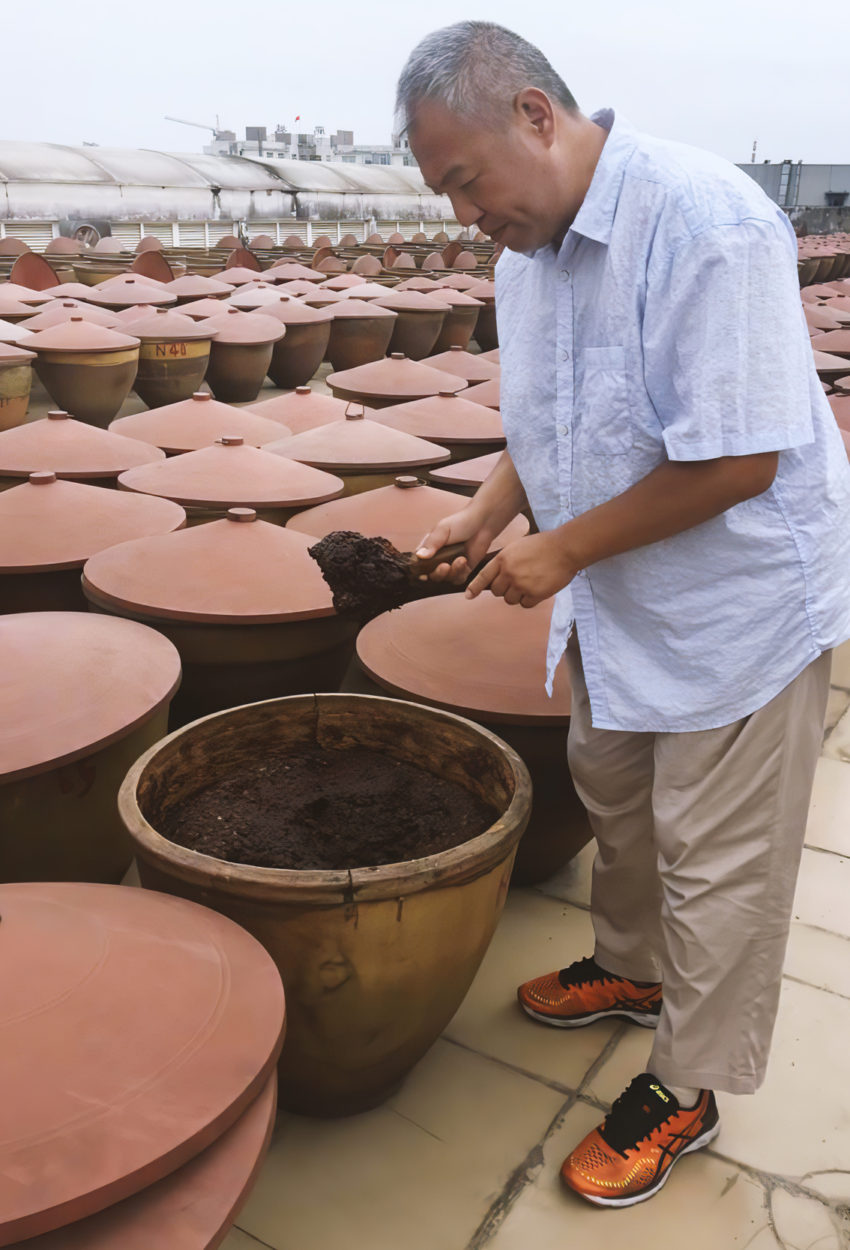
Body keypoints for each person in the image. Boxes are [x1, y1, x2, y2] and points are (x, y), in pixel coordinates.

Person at [395, 21, 850, 1208]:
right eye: (441, 190)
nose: (460, 213)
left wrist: (562, 551)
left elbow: (742, 456)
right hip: (620, 590)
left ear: (535, 117)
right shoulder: (526, 257)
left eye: (463, 180)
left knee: (717, 856)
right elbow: (553, 416)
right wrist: (488, 510)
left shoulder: (705, 223)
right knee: (618, 793)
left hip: (734, 603)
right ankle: (633, 968)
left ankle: (688, 1080)